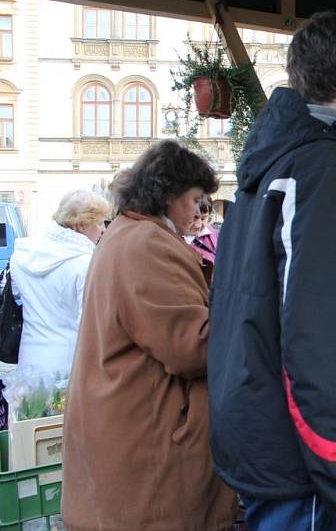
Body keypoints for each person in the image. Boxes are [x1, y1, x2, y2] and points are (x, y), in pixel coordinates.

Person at [207, 12, 336, 530]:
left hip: (262, 438)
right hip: (304, 462)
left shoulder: (270, 165)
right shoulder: (325, 172)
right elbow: (327, 341)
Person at [61, 140, 237, 529]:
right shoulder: (147, 243)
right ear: (169, 195)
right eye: (195, 199)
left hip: (128, 428)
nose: (199, 210)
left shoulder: (125, 235)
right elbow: (193, 347)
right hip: (150, 443)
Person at [10, 189, 109, 376]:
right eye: (99, 222)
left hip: (30, 358)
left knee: (31, 406)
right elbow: (90, 327)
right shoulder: (85, 264)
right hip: (70, 364)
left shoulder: (22, 256)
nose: (103, 228)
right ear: (81, 225)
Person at [185, 195, 218, 283]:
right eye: (194, 218)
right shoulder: (172, 238)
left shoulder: (212, 233)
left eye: (204, 218)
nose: (199, 225)